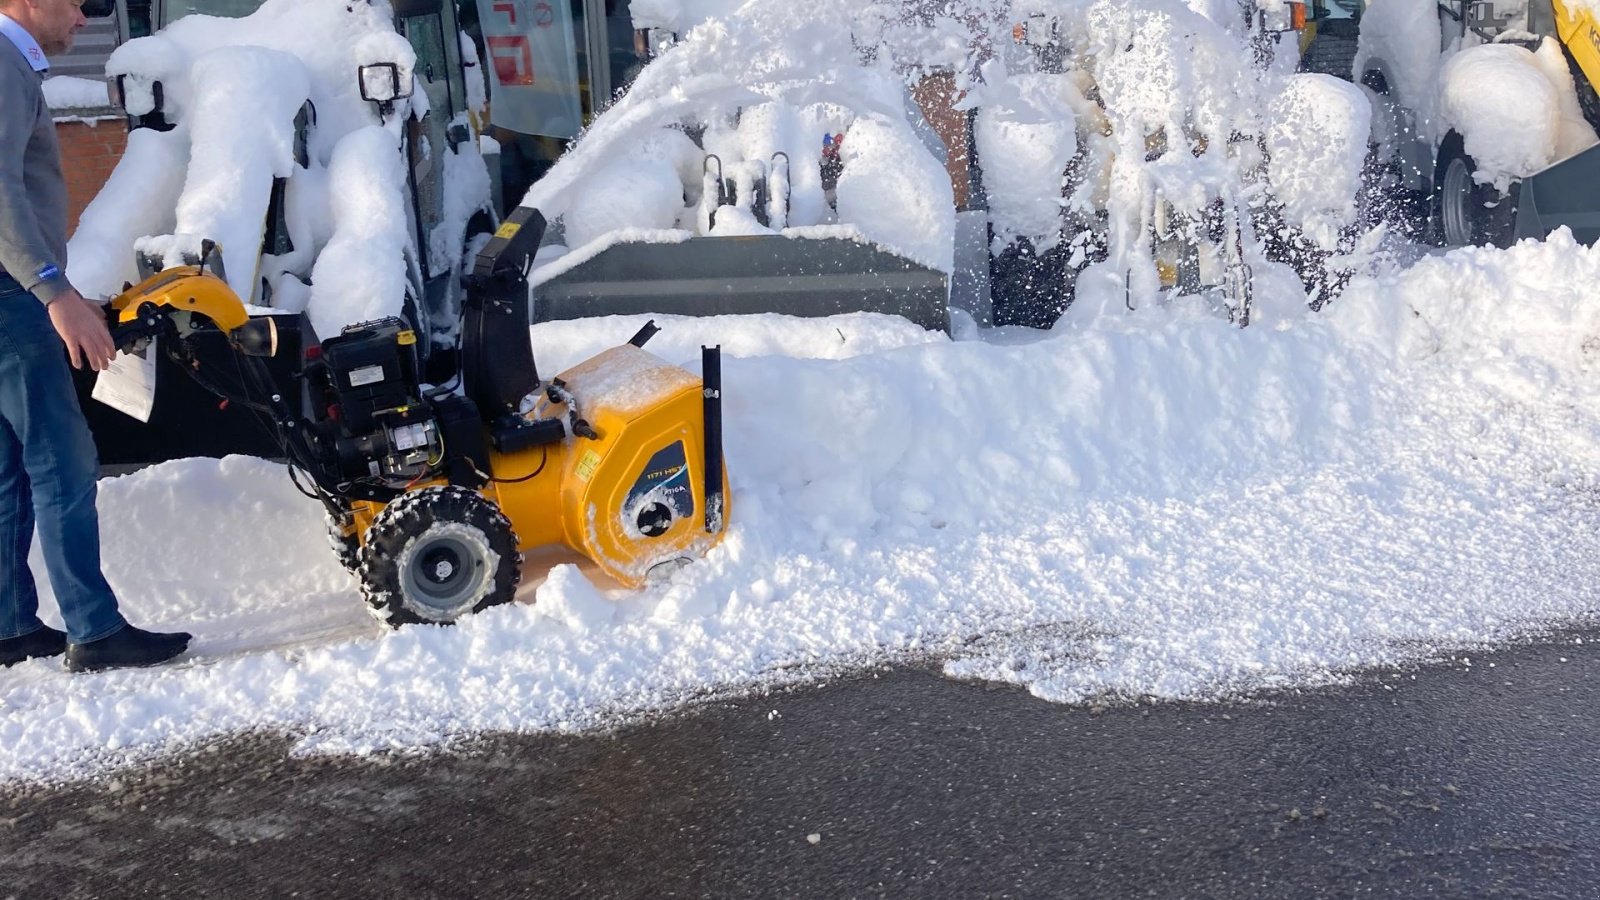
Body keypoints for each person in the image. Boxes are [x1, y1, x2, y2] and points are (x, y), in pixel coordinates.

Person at [0, 0, 190, 671]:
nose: (84, 20)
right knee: (60, 460)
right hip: (13, 294)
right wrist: (55, 292)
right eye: (78, 4)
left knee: (8, 469)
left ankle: (11, 624)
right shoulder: (3, 63)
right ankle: (95, 628)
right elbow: (1, 193)